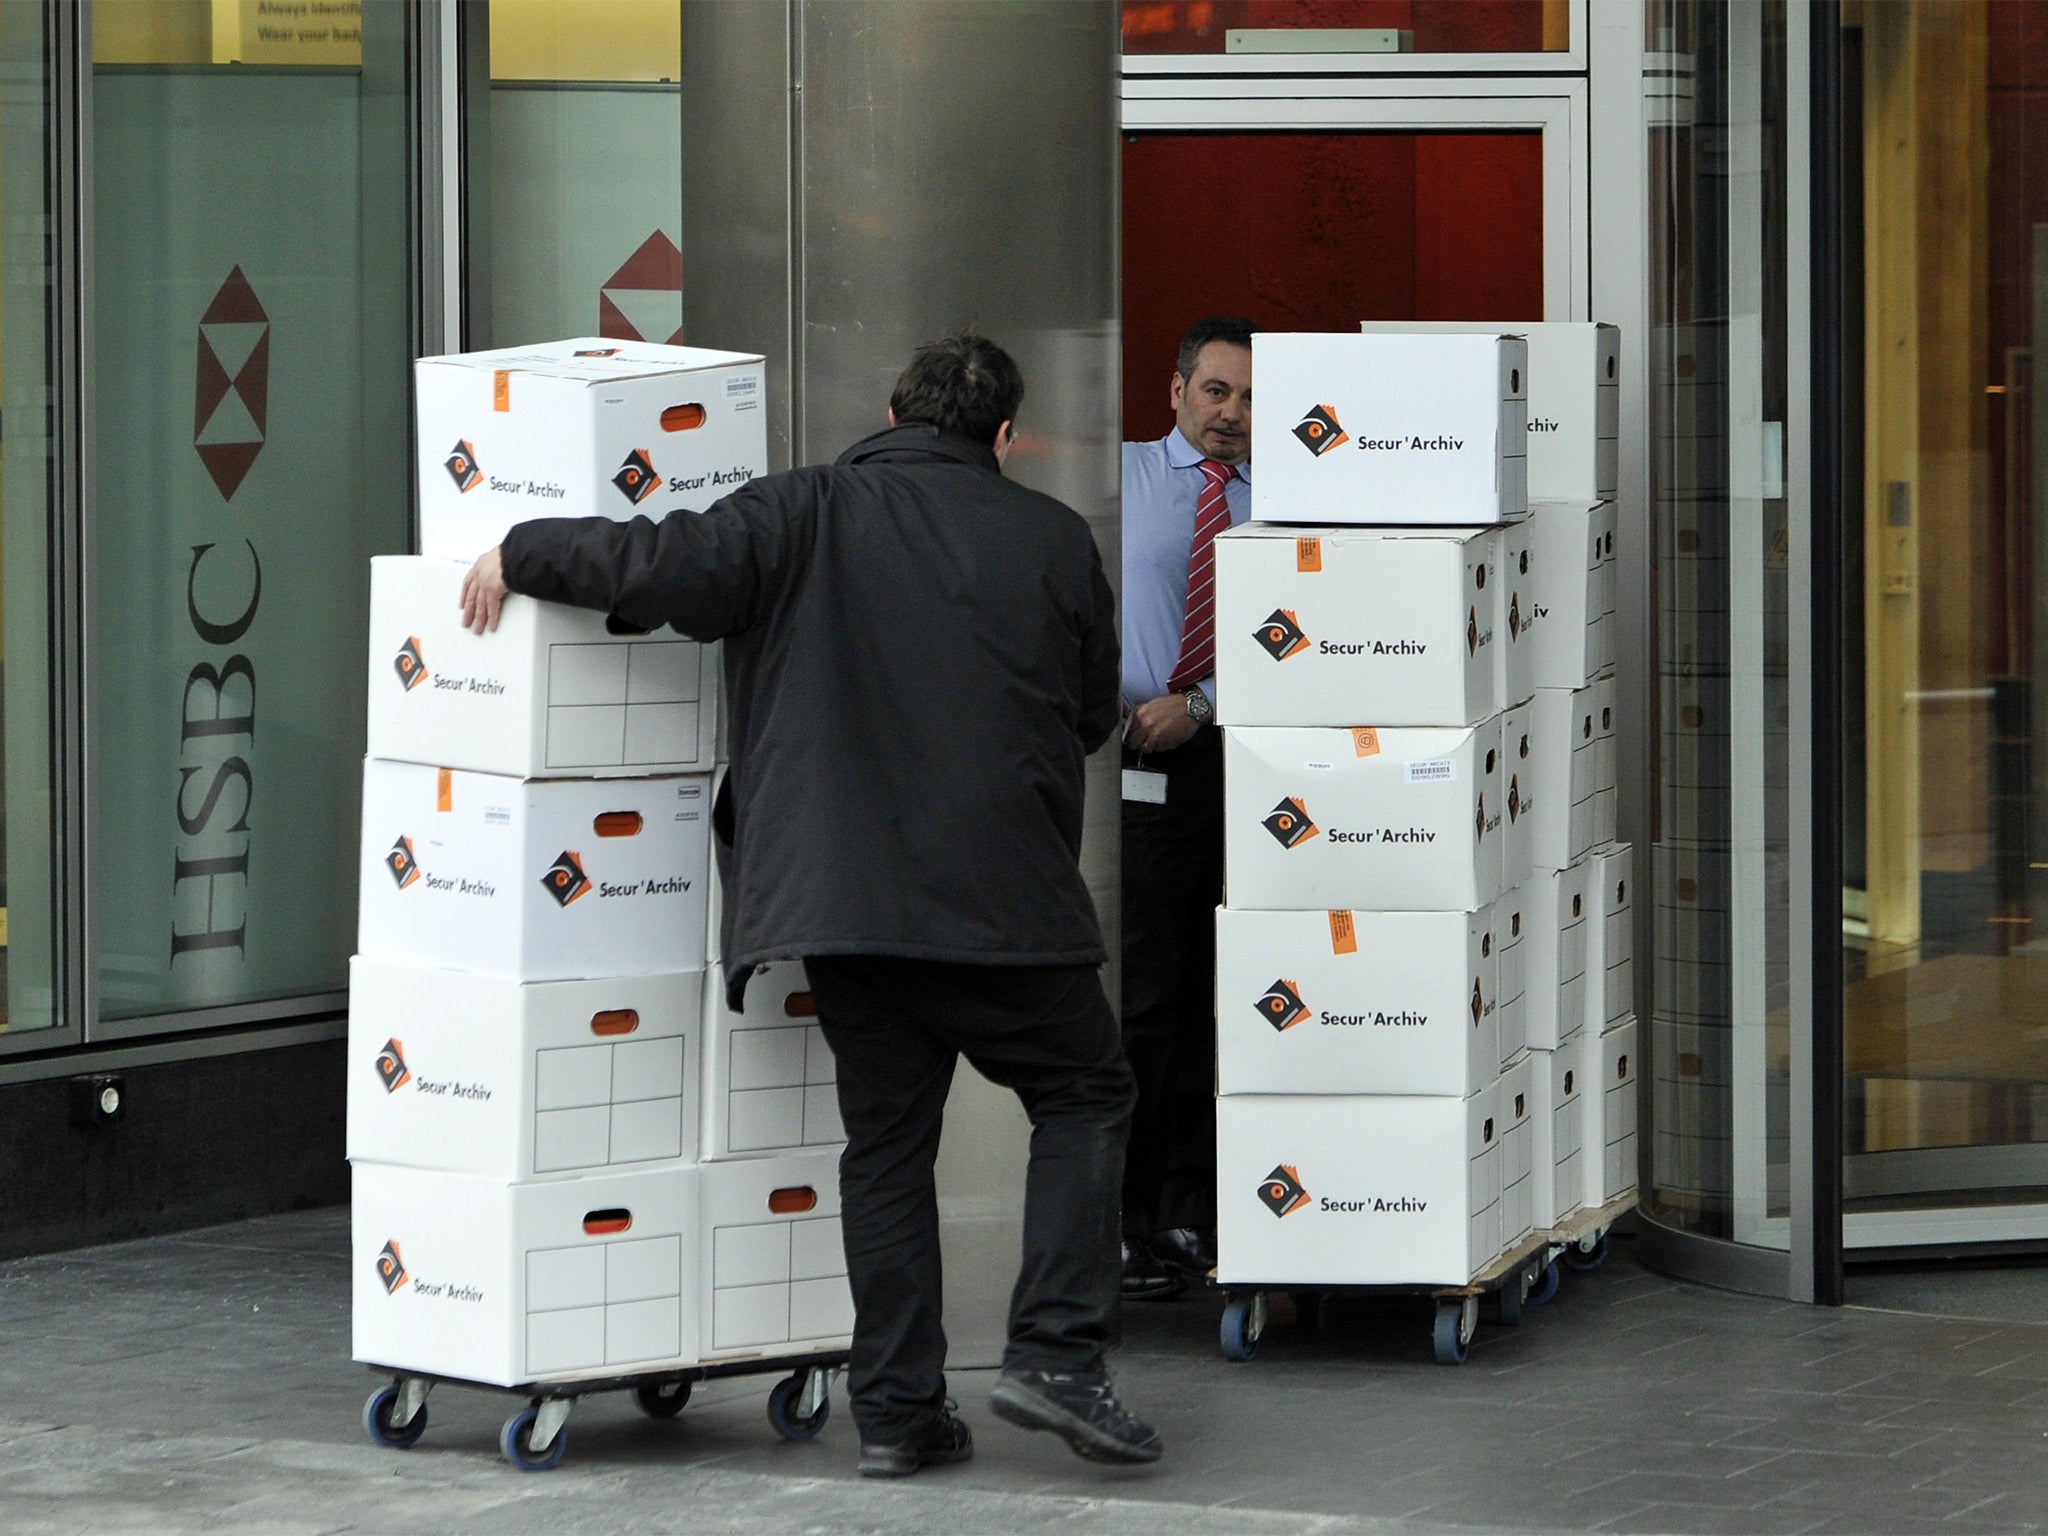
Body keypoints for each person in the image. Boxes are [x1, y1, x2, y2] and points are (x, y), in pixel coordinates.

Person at [459, 334, 1161, 1478]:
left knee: (885, 1148)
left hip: (840, 912)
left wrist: (518, 548)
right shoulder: (1049, 538)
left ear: (890, 412)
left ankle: (895, 1413)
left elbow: (657, 565)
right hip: (1003, 908)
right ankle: (1056, 1357)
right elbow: (1091, 713)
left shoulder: (800, 511)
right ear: (1001, 437)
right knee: (1084, 1094)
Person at [1118, 316, 1256, 1301]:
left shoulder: (1288, 504)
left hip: (1244, 765)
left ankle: (1191, 1211)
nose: (1231, 416)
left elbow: (1316, 641)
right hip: (1126, 768)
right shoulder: (1115, 480)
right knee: (1148, 991)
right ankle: (1125, 1220)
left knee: (1230, 991)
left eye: (1248, 399)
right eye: (1215, 392)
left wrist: (1200, 705)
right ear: (1174, 392)